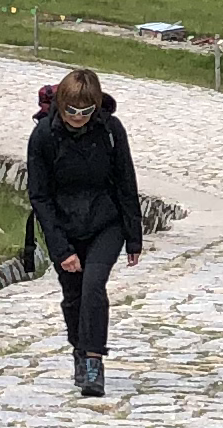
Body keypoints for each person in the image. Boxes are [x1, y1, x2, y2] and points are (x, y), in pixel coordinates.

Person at [24, 68, 144, 398]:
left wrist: (134, 236)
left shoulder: (110, 131)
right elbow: (39, 196)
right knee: (73, 296)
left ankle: (94, 361)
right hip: (63, 223)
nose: (78, 117)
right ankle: (79, 349)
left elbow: (125, 181)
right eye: (72, 110)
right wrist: (60, 248)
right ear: (61, 105)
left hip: (106, 222)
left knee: (94, 286)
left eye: (86, 111)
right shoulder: (43, 137)